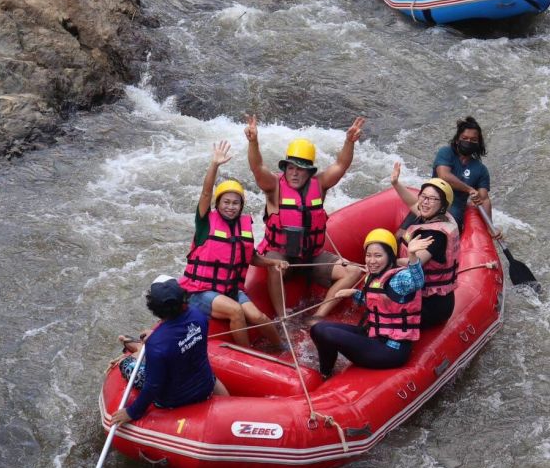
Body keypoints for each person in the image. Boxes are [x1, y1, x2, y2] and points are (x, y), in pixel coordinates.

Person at [245, 115, 366, 321]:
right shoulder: (273, 186)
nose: (294, 173)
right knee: (274, 266)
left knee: (353, 272)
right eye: (291, 167)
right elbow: (257, 168)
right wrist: (253, 142)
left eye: (300, 169)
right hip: (281, 256)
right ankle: (283, 317)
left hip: (312, 257)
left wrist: (349, 142)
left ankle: (318, 316)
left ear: (309, 172)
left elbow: (341, 165)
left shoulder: (319, 184)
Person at [178, 140, 287, 349]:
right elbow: (206, 194)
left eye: (235, 203)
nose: (230, 207)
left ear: (241, 206)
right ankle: (248, 356)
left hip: (229, 289)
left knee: (260, 317)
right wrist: (215, 164)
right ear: (217, 204)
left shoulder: (243, 227)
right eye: (226, 202)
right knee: (236, 311)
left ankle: (283, 351)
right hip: (200, 292)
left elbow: (251, 257)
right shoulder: (204, 223)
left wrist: (273, 263)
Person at [309, 229, 433, 378]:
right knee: (318, 328)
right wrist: (354, 294)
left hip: (391, 350)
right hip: (373, 336)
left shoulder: (401, 278)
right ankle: (326, 373)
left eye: (378, 256)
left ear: (390, 257)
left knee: (326, 333)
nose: (372, 261)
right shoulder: (374, 276)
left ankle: (325, 374)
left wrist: (412, 256)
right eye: (369, 255)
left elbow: (417, 281)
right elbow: (378, 304)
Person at [112, 276, 229, 424]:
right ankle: (140, 347)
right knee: (173, 355)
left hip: (174, 398)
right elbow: (180, 335)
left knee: (126, 363)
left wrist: (132, 412)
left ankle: (135, 351)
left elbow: (153, 385)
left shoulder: (158, 344)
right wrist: (158, 337)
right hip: (204, 384)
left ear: (155, 310)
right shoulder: (199, 316)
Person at [390, 167, 461, 326]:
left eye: (432, 199)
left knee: (383, 316)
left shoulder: (436, 235)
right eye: (423, 196)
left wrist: (388, 261)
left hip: (432, 305)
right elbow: (412, 203)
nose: (424, 202)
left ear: (442, 205)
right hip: (419, 294)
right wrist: (395, 183)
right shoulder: (432, 215)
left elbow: (414, 263)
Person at [431, 116, 500, 237]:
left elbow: (483, 199)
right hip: (430, 200)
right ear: (457, 140)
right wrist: (469, 189)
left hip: (454, 212)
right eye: (465, 138)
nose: (468, 142)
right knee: (402, 232)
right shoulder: (446, 152)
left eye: (473, 140)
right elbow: (443, 175)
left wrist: (490, 227)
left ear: (478, 143)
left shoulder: (481, 170)